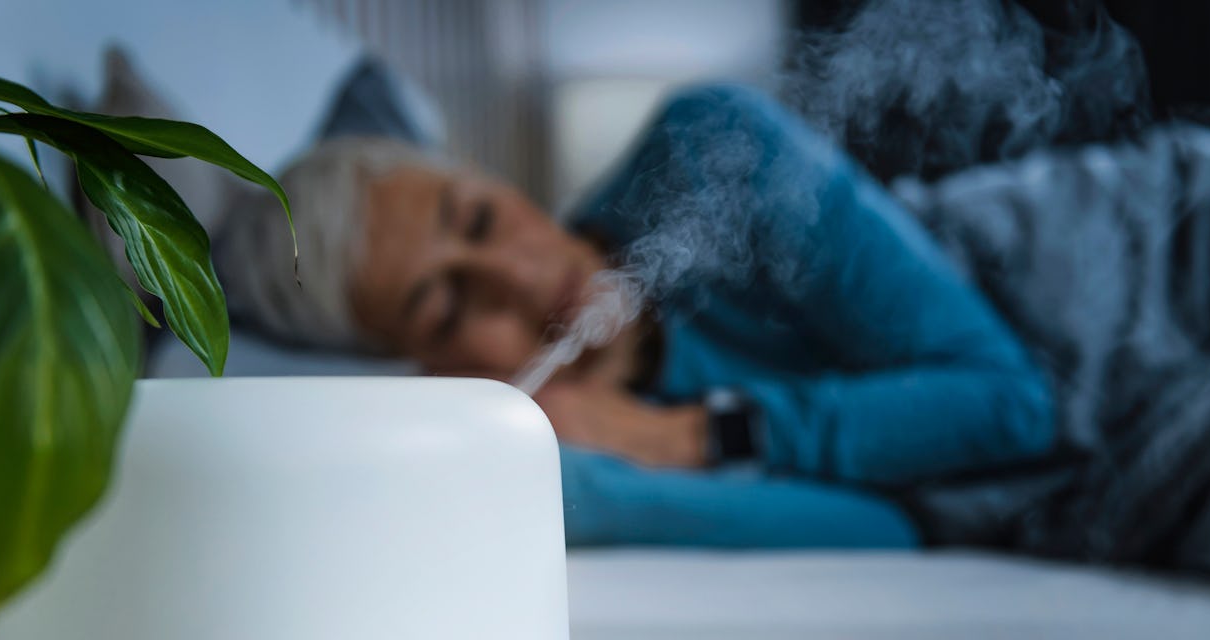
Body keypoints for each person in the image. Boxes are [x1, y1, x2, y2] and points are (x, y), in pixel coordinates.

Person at [218, 84, 1057, 551]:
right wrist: (592, 470)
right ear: (426, 371)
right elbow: (893, 532)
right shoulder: (575, 463)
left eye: (478, 220)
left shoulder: (713, 155)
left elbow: (1013, 406)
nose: (517, 277)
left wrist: (689, 439)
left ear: (490, 177)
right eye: (444, 306)